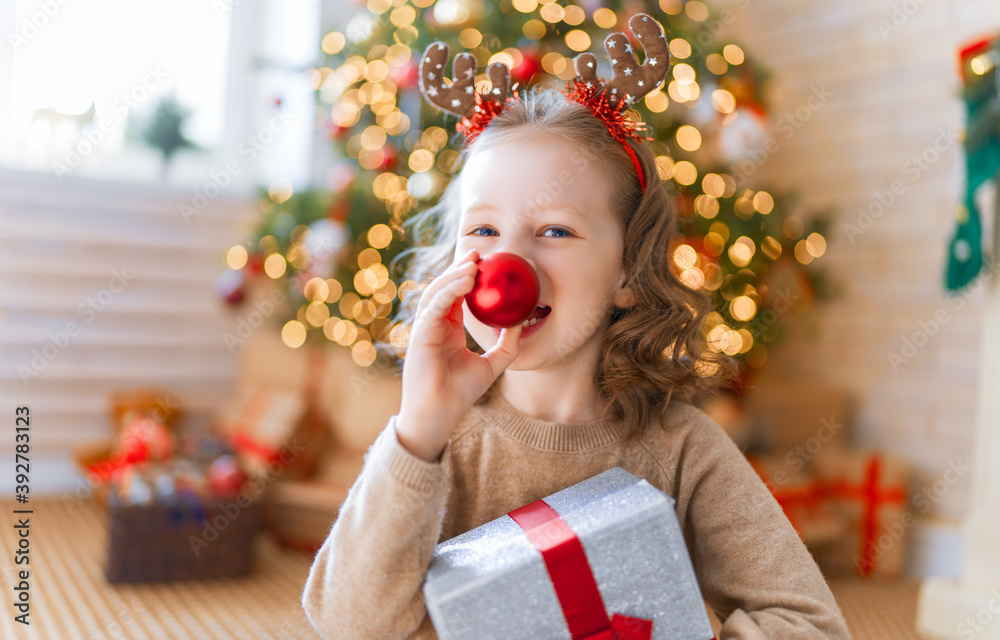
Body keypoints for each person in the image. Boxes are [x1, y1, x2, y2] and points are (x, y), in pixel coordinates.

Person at [302, 15, 851, 640]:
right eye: (483, 231)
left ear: (626, 272)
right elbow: (348, 627)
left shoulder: (682, 449)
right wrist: (418, 432)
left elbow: (811, 623)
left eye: (555, 231)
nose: (508, 264)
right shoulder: (433, 442)